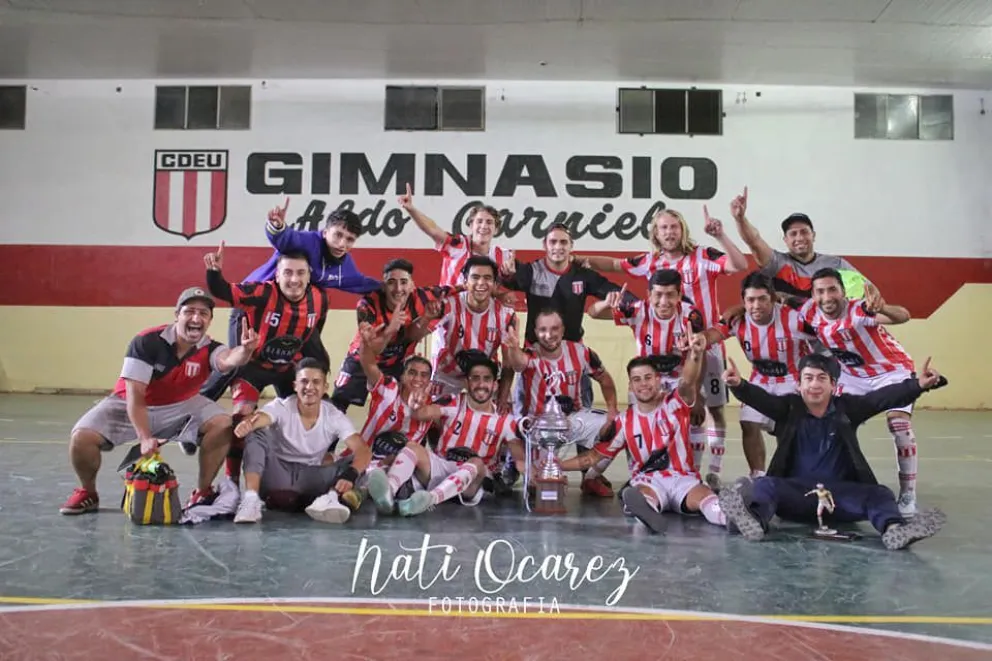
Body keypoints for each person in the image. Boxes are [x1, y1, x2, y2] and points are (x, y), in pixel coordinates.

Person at [578, 205, 749, 489]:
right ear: (655, 233)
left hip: (705, 343)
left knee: (713, 410)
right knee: (659, 417)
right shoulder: (650, 264)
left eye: (674, 226)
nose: (669, 232)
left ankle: (711, 472)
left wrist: (720, 236)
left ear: (683, 229)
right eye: (663, 227)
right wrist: (579, 260)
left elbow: (740, 265)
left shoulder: (703, 256)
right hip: (670, 354)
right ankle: (649, 471)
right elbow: (615, 265)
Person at [717, 353, 947, 551]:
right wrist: (739, 385)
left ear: (833, 385)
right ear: (799, 385)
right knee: (765, 485)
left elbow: (882, 398)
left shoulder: (848, 409)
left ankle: (894, 530)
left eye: (821, 378)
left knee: (880, 494)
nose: (814, 384)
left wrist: (918, 385)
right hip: (796, 497)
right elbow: (762, 400)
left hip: (841, 499)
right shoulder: (788, 408)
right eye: (808, 378)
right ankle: (755, 522)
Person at [60, 287, 258, 514]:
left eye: (203, 313)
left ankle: (203, 491)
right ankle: (88, 492)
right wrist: (145, 437)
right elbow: (135, 395)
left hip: (181, 405)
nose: (196, 318)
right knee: (81, 438)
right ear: (177, 315)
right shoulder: (147, 342)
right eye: (190, 311)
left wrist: (245, 351)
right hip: (128, 403)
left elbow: (228, 359)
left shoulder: (210, 347)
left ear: (209, 321)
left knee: (222, 424)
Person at [200, 200, 380, 401]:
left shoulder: (343, 267)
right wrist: (277, 226)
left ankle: (305, 405)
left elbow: (361, 283)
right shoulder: (307, 242)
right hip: (255, 307)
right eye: (338, 235)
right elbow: (284, 238)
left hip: (295, 312)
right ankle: (200, 401)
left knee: (317, 359)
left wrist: (391, 288)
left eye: (350, 239)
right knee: (238, 361)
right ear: (325, 232)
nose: (342, 244)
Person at [557, 336, 727, 534]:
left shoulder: (676, 403)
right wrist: (555, 465)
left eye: (648, 377)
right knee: (644, 496)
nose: (643, 384)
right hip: (648, 480)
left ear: (658, 380)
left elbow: (688, 381)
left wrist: (695, 354)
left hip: (683, 478)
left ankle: (730, 518)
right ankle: (647, 512)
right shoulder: (623, 422)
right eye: (637, 380)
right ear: (630, 386)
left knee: (706, 498)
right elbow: (592, 457)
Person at [203, 244, 331, 483]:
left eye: (301, 273)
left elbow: (314, 331)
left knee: (316, 411)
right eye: (288, 273)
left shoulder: (320, 299)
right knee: (242, 417)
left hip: (288, 369)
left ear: (309, 275)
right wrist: (214, 273)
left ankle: (305, 475)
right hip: (253, 368)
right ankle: (231, 483)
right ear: (277, 276)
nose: (294, 280)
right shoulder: (262, 292)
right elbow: (223, 291)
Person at [798, 268, 920, 516]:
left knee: (898, 425)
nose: (826, 297)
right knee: (828, 423)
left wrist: (884, 308)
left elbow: (903, 316)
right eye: (820, 291)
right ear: (813, 295)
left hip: (891, 371)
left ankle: (908, 493)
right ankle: (836, 483)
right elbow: (786, 304)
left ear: (843, 291)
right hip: (853, 376)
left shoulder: (859, 310)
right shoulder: (808, 311)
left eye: (832, 290)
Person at [588, 269, 711, 482]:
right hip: (646, 381)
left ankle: (692, 475)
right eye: (658, 295)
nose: (664, 301)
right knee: (635, 428)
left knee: (695, 422)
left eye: (670, 295)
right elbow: (593, 312)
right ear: (649, 295)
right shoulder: (636, 310)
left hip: (678, 381)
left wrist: (697, 393)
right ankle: (637, 475)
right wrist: (605, 303)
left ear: (679, 295)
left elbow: (701, 354)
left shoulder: (691, 316)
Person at [365, 357, 526, 516]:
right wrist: (416, 403)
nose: (481, 384)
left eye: (486, 379)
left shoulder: (506, 420)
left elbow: (520, 461)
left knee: (477, 463)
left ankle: (429, 500)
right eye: (475, 378)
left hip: (470, 483)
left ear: (495, 385)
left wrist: (534, 475)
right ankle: (387, 494)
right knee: (413, 447)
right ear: (466, 383)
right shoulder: (453, 402)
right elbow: (422, 414)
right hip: (441, 466)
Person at [499, 222, 636, 409]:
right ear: (544, 245)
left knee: (581, 414)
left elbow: (616, 293)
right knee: (525, 414)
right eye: (553, 242)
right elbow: (508, 279)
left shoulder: (583, 275)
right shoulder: (531, 271)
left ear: (571, 246)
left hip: (574, 357)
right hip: (535, 356)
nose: (558, 247)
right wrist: (505, 275)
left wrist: (638, 304)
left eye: (563, 242)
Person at [702, 271, 820, 477]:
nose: (756, 305)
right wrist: (697, 340)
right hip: (760, 378)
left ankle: (791, 475)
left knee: (788, 428)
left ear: (772, 297)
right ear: (743, 301)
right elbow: (711, 335)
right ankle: (757, 476)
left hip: (793, 379)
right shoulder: (737, 320)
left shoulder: (794, 318)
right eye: (750, 300)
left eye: (762, 299)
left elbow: (824, 327)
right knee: (749, 423)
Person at [231, 358, 371, 524]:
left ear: (325, 387)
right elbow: (262, 417)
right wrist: (248, 424)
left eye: (316, 382)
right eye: (304, 381)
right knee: (257, 434)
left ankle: (330, 498)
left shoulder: (333, 416)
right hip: (277, 475)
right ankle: (251, 500)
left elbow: (362, 450)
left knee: (358, 464)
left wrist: (350, 474)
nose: (309, 387)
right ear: (295, 386)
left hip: (311, 478)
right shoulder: (281, 406)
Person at [500, 310, 619, 497]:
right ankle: (543, 470)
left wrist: (612, 410)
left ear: (563, 330)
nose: (549, 335)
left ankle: (591, 477)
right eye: (543, 330)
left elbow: (605, 379)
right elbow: (517, 364)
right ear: (536, 332)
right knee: (539, 488)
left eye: (554, 329)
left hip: (573, 420)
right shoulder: (530, 354)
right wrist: (514, 348)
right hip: (539, 427)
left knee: (620, 426)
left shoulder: (581, 352)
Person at [331, 258, 457, 413]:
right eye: (391, 282)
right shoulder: (367, 305)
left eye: (404, 282)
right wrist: (390, 329)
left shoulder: (424, 297)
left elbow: (454, 289)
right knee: (336, 406)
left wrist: (470, 287)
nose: (398, 289)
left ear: (412, 285)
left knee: (399, 409)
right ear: (383, 286)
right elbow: (372, 350)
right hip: (362, 360)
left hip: (397, 363)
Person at [728, 187, 869, 299]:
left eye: (804, 232)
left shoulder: (836, 264)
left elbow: (868, 289)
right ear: (785, 240)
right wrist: (740, 219)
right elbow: (754, 241)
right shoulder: (776, 263)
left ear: (813, 235)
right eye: (793, 234)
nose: (799, 238)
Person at [429, 256, 518, 402]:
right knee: (434, 413)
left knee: (504, 410)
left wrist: (502, 399)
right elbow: (420, 332)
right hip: (448, 376)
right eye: (475, 277)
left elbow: (508, 364)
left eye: (487, 278)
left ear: (495, 284)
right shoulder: (449, 305)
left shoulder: (506, 315)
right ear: (465, 282)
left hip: (485, 377)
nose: (481, 283)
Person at [354, 321, 435, 476]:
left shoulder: (431, 407)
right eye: (412, 373)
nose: (418, 379)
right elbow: (369, 364)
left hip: (400, 469)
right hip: (363, 459)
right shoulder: (388, 389)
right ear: (402, 376)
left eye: (424, 375)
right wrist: (365, 344)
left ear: (429, 382)